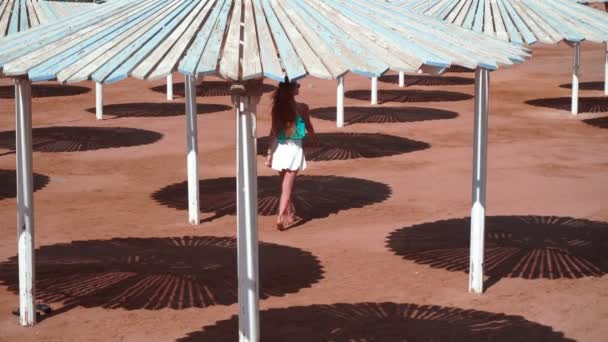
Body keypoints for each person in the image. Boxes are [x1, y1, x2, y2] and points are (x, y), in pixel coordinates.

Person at [265, 79, 317, 231]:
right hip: (294, 149)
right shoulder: (302, 108)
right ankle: (281, 216)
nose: (299, 87)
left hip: (280, 149)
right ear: (292, 90)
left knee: (284, 185)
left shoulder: (277, 108)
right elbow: (308, 125)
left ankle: (290, 213)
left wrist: (269, 154)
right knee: (287, 188)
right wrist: (314, 137)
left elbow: (273, 132)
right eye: (297, 85)